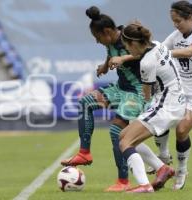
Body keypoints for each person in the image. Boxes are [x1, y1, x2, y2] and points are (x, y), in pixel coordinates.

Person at [61, 6, 157, 192]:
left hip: (137, 92)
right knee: (85, 102)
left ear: (106, 32)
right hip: (120, 88)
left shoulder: (128, 38)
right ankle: (84, 153)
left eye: (98, 38)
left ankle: (123, 181)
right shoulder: (112, 39)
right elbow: (111, 51)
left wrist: (123, 59)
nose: (98, 42)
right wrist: (105, 66)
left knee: (116, 132)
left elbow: (146, 52)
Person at [152, 0, 192, 190]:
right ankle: (163, 154)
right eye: (173, 21)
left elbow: (190, 51)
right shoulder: (176, 35)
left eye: (178, 21)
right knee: (159, 118)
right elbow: (159, 51)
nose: (175, 25)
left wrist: (166, 54)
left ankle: (181, 170)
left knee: (181, 130)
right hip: (179, 89)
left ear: (190, 17)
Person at [119, 22, 186, 193]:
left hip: (166, 105)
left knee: (126, 142)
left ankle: (144, 185)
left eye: (127, 47)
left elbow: (146, 95)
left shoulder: (146, 63)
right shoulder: (157, 45)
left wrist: (135, 106)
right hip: (174, 100)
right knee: (123, 135)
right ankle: (163, 168)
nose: (128, 51)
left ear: (133, 44)